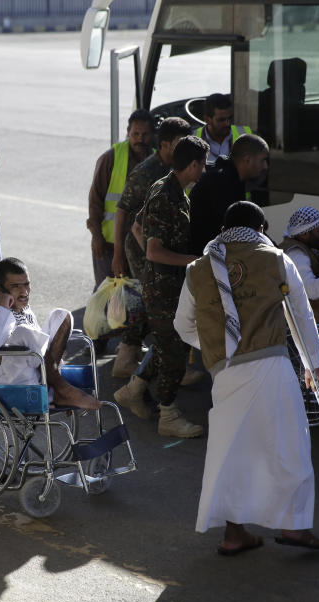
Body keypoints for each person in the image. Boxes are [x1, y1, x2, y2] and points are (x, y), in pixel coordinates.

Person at [174, 201, 319, 555]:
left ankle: (234, 533)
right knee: (289, 445)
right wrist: (312, 363)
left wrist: (217, 345)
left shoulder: (199, 268)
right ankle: (295, 527)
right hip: (270, 366)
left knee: (232, 452)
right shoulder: (275, 258)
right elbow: (301, 314)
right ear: (259, 228)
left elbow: (182, 326)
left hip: (225, 371)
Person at [116, 136, 209, 437]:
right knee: (174, 352)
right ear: (193, 165)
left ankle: (135, 389)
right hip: (163, 290)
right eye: (203, 165)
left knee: (171, 345)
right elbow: (154, 250)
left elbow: (138, 227)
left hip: (171, 284)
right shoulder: (163, 194)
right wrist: (193, 261)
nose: (204, 171)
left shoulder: (173, 191)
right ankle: (168, 414)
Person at [111, 116, 192, 379]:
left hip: (160, 246)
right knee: (154, 304)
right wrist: (117, 255)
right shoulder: (147, 172)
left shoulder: (177, 169)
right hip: (140, 248)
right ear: (165, 144)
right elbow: (122, 211)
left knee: (158, 304)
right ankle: (130, 359)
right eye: (181, 143)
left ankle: (166, 363)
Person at [0, 257, 101, 409]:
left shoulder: (24, 308)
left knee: (62, 315)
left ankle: (54, 389)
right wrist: (2, 309)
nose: (24, 292)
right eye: (16, 286)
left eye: (27, 284)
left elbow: (39, 346)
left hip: (37, 373)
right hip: (5, 382)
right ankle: (62, 390)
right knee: (24, 332)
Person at [87, 109, 154, 291]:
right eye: (135, 134)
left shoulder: (157, 160)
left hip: (141, 246)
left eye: (145, 134)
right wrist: (96, 236)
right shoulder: (110, 158)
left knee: (134, 301)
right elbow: (95, 201)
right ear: (128, 133)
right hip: (108, 245)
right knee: (108, 297)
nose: (140, 139)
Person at [188, 134, 270, 257]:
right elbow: (240, 230)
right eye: (263, 160)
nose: (265, 166)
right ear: (247, 159)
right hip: (205, 261)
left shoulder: (230, 179)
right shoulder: (222, 183)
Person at [194, 93, 252, 165]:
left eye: (230, 118)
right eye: (221, 120)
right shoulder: (193, 139)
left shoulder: (245, 134)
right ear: (207, 120)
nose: (228, 123)